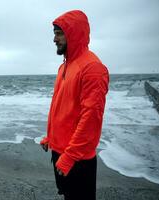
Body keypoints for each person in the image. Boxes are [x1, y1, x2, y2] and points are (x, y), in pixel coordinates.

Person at [40, 10, 109, 200]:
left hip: (77, 158)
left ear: (75, 34)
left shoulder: (92, 68)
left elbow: (91, 119)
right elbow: (63, 108)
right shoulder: (64, 66)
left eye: (59, 33)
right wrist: (51, 138)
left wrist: (70, 157)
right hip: (60, 151)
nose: (55, 39)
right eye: (54, 33)